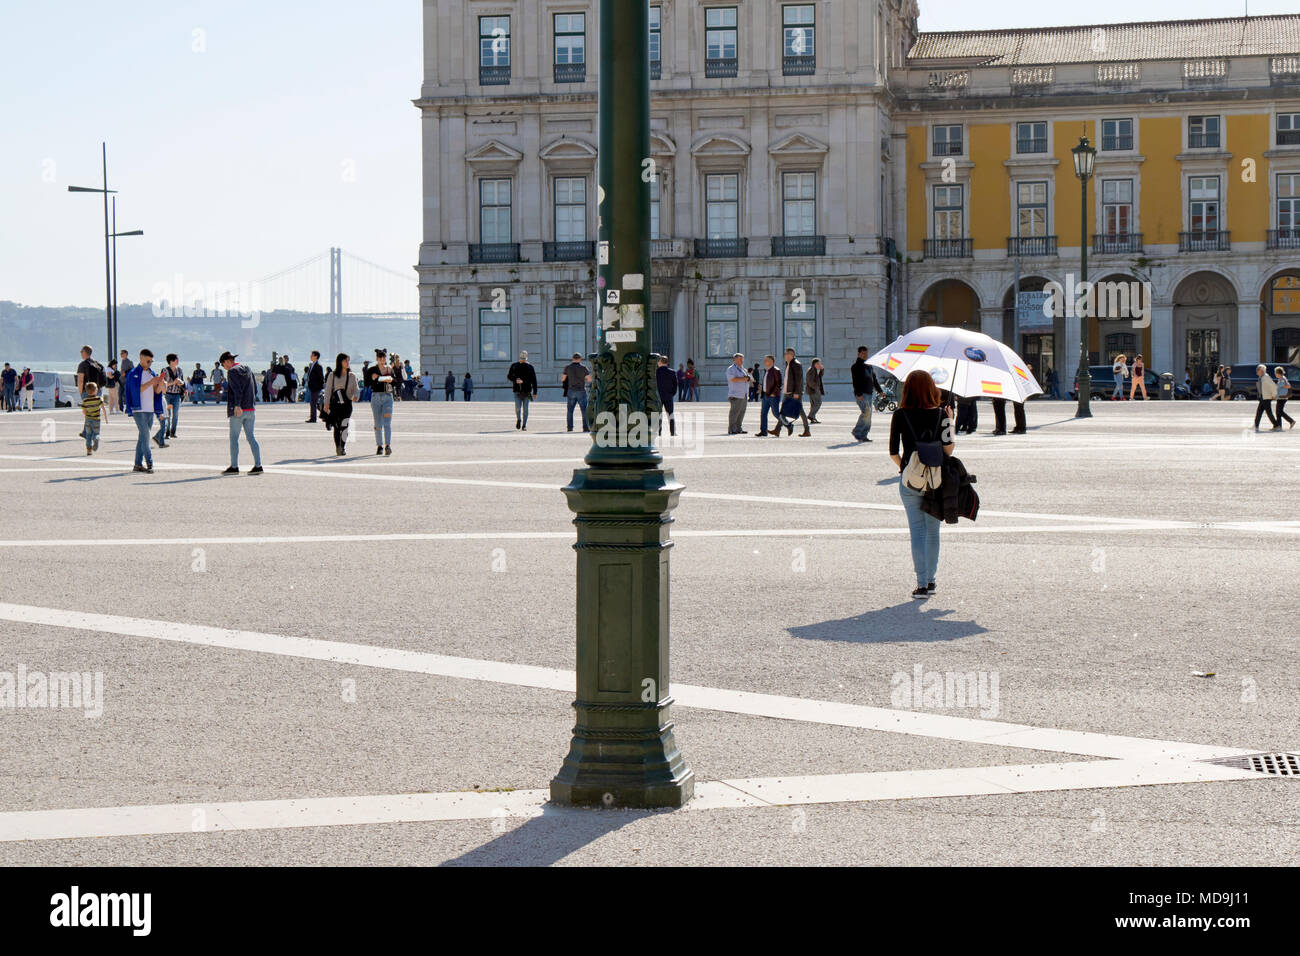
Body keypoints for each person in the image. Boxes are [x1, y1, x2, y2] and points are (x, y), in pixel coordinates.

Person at [889, 370, 955, 600]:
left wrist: (904, 468)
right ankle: (931, 580)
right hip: (935, 479)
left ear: (907, 390)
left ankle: (921, 585)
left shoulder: (899, 414)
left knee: (917, 531)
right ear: (931, 388)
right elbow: (949, 450)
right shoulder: (941, 414)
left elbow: (892, 452)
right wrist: (950, 421)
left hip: (910, 479)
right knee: (933, 533)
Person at [123, 348, 168, 473]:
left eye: (151, 362)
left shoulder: (151, 373)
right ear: (141, 359)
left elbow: (157, 392)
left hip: (150, 409)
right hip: (138, 409)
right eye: (148, 361)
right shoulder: (133, 373)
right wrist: (151, 382)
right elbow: (135, 390)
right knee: (146, 436)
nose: (149, 364)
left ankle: (137, 465)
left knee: (142, 438)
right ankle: (150, 463)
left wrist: (160, 383)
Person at [220, 352, 262, 474]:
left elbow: (237, 389)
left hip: (238, 410)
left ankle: (234, 466)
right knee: (251, 437)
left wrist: (237, 405)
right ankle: (258, 465)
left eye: (223, 365)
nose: (225, 367)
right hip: (250, 409)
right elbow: (254, 387)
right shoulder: (247, 368)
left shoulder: (232, 371)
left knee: (234, 439)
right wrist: (252, 404)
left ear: (227, 361)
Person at [322, 353, 360, 456]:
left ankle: (342, 447)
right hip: (335, 405)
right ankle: (338, 447)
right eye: (345, 361)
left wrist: (356, 396)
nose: (347, 363)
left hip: (347, 405)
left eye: (348, 360)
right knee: (337, 426)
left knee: (345, 426)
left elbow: (356, 389)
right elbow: (328, 390)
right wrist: (326, 404)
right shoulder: (332, 375)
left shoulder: (352, 376)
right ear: (340, 362)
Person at [366, 348, 396, 454]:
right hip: (376, 396)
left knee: (387, 423)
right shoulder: (372, 370)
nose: (382, 359)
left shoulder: (389, 369)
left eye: (383, 357)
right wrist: (374, 378)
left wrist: (390, 380)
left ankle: (388, 445)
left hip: (388, 396)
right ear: (377, 358)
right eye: (380, 357)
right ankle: (379, 446)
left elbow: (395, 381)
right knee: (378, 423)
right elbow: (366, 383)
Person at [851, 345, 882, 442]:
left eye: (866, 353)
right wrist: (859, 393)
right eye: (863, 353)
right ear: (859, 353)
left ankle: (863, 434)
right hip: (862, 394)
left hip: (869, 393)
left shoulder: (869, 366)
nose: (865, 355)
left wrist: (880, 391)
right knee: (866, 413)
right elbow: (855, 381)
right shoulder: (856, 366)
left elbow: (874, 380)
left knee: (868, 415)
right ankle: (857, 432)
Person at [779, 348, 812, 437]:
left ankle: (807, 430)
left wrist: (797, 392)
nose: (785, 356)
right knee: (783, 412)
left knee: (800, 411)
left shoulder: (796, 364)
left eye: (787, 354)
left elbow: (799, 380)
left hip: (793, 393)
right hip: (787, 392)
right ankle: (777, 430)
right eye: (785, 354)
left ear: (791, 355)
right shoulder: (788, 364)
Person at [507, 350, 537, 430]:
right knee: (518, 407)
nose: (523, 358)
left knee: (526, 409)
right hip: (517, 390)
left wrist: (535, 392)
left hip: (527, 391)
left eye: (524, 356)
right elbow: (509, 376)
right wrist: (515, 380)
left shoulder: (530, 367)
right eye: (522, 356)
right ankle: (519, 419)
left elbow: (534, 380)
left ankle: (524, 425)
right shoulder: (514, 365)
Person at [562, 353, 591, 432]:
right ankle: (585, 428)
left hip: (571, 391)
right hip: (581, 390)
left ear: (573, 358)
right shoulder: (584, 368)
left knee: (570, 411)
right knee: (584, 410)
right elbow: (589, 379)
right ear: (580, 359)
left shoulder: (567, 367)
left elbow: (563, 379)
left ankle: (570, 428)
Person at [159, 353, 185, 441]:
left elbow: (183, 382)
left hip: (176, 395)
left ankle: (173, 432)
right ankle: (167, 433)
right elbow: (162, 383)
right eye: (176, 359)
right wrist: (173, 382)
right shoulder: (164, 370)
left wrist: (180, 382)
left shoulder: (180, 370)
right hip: (167, 395)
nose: (178, 361)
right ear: (171, 361)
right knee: (168, 414)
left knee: (176, 414)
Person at [756, 355, 781, 437]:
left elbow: (779, 383)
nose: (764, 361)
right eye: (765, 360)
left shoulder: (776, 370)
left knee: (776, 413)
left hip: (773, 396)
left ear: (771, 361)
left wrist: (773, 393)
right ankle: (763, 431)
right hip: (765, 395)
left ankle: (788, 425)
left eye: (766, 360)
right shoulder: (766, 370)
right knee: (763, 413)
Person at [726, 352, 749, 434]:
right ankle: (732, 429)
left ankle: (739, 428)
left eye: (742, 359)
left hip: (744, 394)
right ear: (735, 359)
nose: (742, 361)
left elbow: (747, 379)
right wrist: (743, 379)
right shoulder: (731, 369)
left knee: (742, 412)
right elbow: (732, 379)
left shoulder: (744, 369)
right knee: (734, 412)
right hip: (735, 394)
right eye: (740, 359)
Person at [656, 355, 677, 437]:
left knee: (658, 414)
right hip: (668, 396)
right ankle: (672, 432)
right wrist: (672, 394)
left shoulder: (656, 372)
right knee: (670, 414)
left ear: (660, 362)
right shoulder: (672, 372)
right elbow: (675, 385)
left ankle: (659, 432)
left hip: (659, 396)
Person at [79, 382, 103, 455]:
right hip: (96, 419)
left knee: (88, 434)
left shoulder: (85, 401)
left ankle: (89, 450)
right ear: (95, 390)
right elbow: (102, 406)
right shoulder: (98, 399)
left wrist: (87, 414)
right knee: (96, 433)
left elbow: (84, 411)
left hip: (88, 419)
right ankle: (96, 438)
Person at [1255, 364, 1279, 431]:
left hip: (1266, 398)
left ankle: (1276, 425)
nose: (1256, 371)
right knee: (1259, 412)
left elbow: (1273, 386)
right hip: (1263, 397)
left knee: (1268, 412)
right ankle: (1256, 425)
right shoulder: (1261, 377)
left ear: (1262, 370)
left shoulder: (1266, 377)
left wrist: (1274, 395)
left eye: (1258, 369)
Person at [303, 351, 325, 422]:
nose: (310, 356)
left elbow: (321, 378)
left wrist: (319, 387)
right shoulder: (312, 365)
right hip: (311, 387)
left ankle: (314, 418)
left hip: (316, 388)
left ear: (316, 356)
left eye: (312, 355)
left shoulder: (318, 366)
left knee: (314, 403)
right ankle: (316, 416)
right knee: (313, 403)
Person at [806, 357, 825, 424]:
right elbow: (810, 381)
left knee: (814, 404)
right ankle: (811, 416)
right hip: (813, 389)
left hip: (815, 389)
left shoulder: (816, 370)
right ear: (815, 364)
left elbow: (821, 376)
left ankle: (812, 418)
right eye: (818, 363)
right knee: (818, 403)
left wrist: (822, 370)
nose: (820, 365)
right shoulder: (811, 370)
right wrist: (816, 387)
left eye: (820, 363)